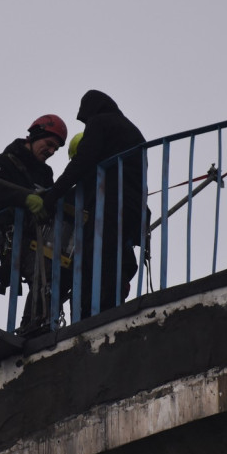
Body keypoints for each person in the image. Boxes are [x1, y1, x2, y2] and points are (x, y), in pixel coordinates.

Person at [41, 90, 146, 320]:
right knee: (113, 260)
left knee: (94, 259)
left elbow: (82, 162)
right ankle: (105, 312)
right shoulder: (132, 131)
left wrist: (52, 197)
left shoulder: (100, 122)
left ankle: (91, 317)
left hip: (109, 206)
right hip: (131, 208)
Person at [0, 114, 68, 330]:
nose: (51, 152)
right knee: (45, 271)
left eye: (55, 150)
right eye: (49, 145)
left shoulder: (45, 173)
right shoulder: (4, 163)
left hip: (40, 234)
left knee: (62, 271)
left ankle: (36, 322)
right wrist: (24, 199)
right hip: (13, 235)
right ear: (36, 135)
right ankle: (32, 326)